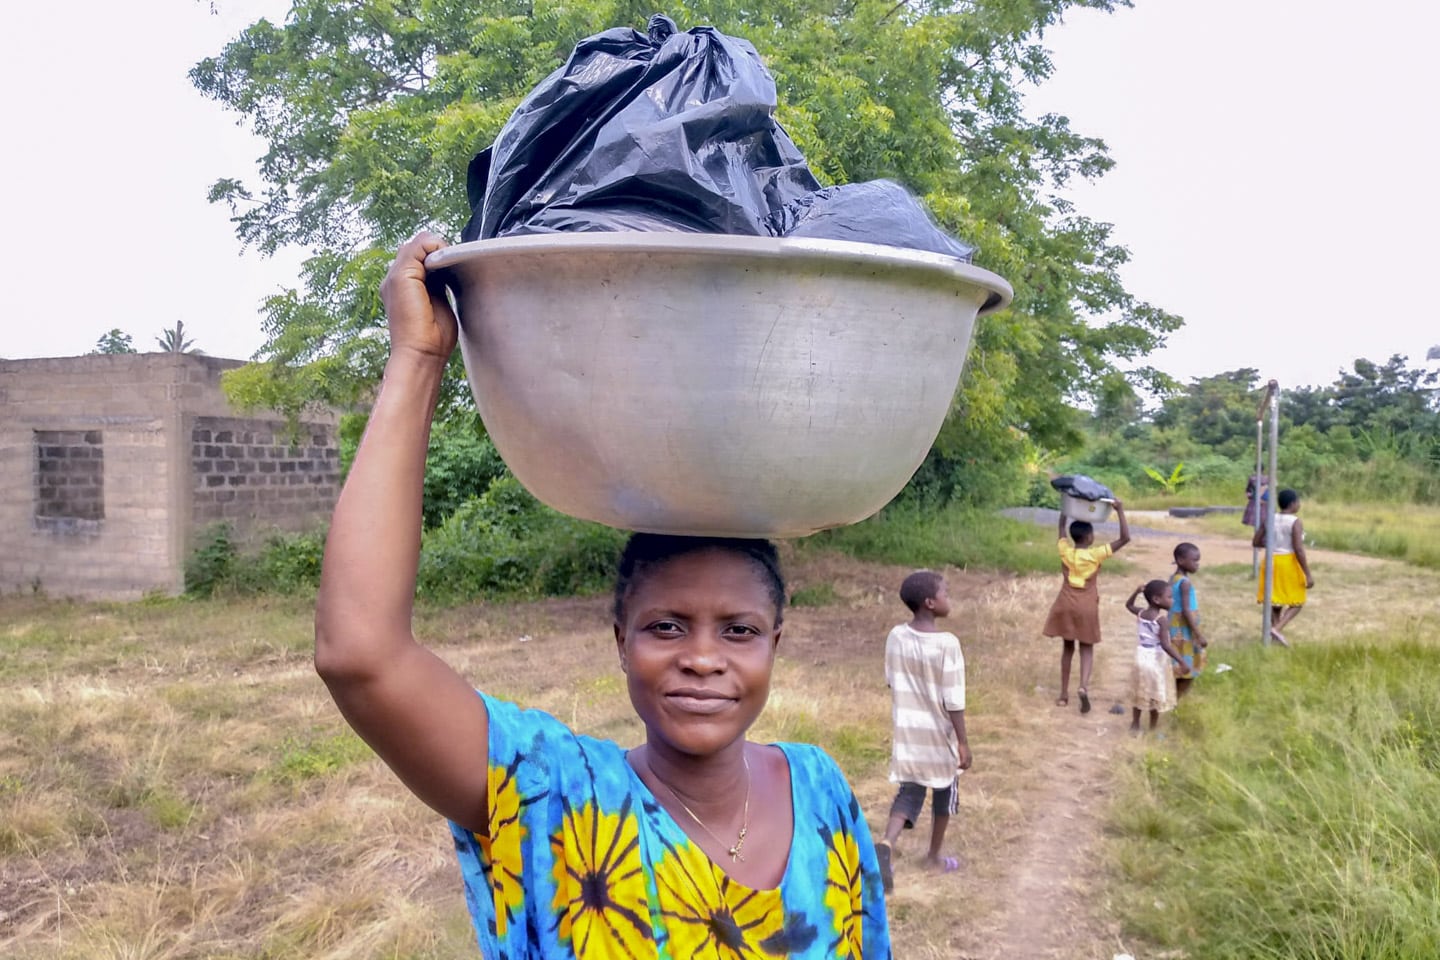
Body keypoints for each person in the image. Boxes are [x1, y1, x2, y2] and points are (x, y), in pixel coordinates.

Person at [314, 232, 891, 959]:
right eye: (668, 627)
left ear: (778, 641)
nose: (704, 659)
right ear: (621, 640)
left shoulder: (821, 788)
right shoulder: (555, 797)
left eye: (739, 630)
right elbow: (360, 655)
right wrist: (419, 358)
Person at [874, 571, 972, 892]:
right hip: (939, 735)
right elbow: (953, 699)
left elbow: (892, 678)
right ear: (930, 603)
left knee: (910, 790)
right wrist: (962, 741)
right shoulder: (947, 644)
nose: (949, 596)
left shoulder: (895, 636)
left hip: (908, 732)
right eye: (945, 592)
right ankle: (933, 856)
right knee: (945, 792)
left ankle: (887, 843)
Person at [1042, 500, 1130, 713]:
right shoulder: (1095, 554)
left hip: (1065, 604)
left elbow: (1061, 529)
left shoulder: (1066, 551)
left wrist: (1067, 505)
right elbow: (1125, 538)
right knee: (1087, 648)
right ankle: (1082, 686)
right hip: (1086, 606)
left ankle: (1063, 695)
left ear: (1073, 537)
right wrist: (1119, 510)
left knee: (1067, 648)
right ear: (1090, 538)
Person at [1124, 580, 1187, 734]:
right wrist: (1181, 661)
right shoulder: (1162, 620)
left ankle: (1135, 724)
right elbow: (1166, 645)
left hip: (1141, 657)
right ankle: (1152, 728)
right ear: (1157, 599)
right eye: (1169, 597)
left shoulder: (1142, 614)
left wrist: (1136, 592)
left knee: (1140, 691)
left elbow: (1129, 606)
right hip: (1155, 660)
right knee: (1155, 694)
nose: (1172, 600)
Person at [1253, 488, 1313, 646]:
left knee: (1275, 601)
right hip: (1287, 562)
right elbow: (1298, 548)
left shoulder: (1270, 518)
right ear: (1293, 504)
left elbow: (1256, 542)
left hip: (1271, 560)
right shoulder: (1295, 521)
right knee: (1297, 601)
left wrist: (1272, 544)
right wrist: (1307, 573)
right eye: (1298, 501)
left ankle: (1275, 635)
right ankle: (1277, 629)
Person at [1169, 542, 1207, 697]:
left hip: (1175, 627)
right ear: (1180, 560)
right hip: (1184, 631)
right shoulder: (1185, 583)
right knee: (1187, 667)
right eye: (1194, 560)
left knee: (1178, 665)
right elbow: (1185, 610)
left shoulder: (1174, 578)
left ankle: (1174, 699)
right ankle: (1178, 700)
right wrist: (1198, 634)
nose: (1197, 564)